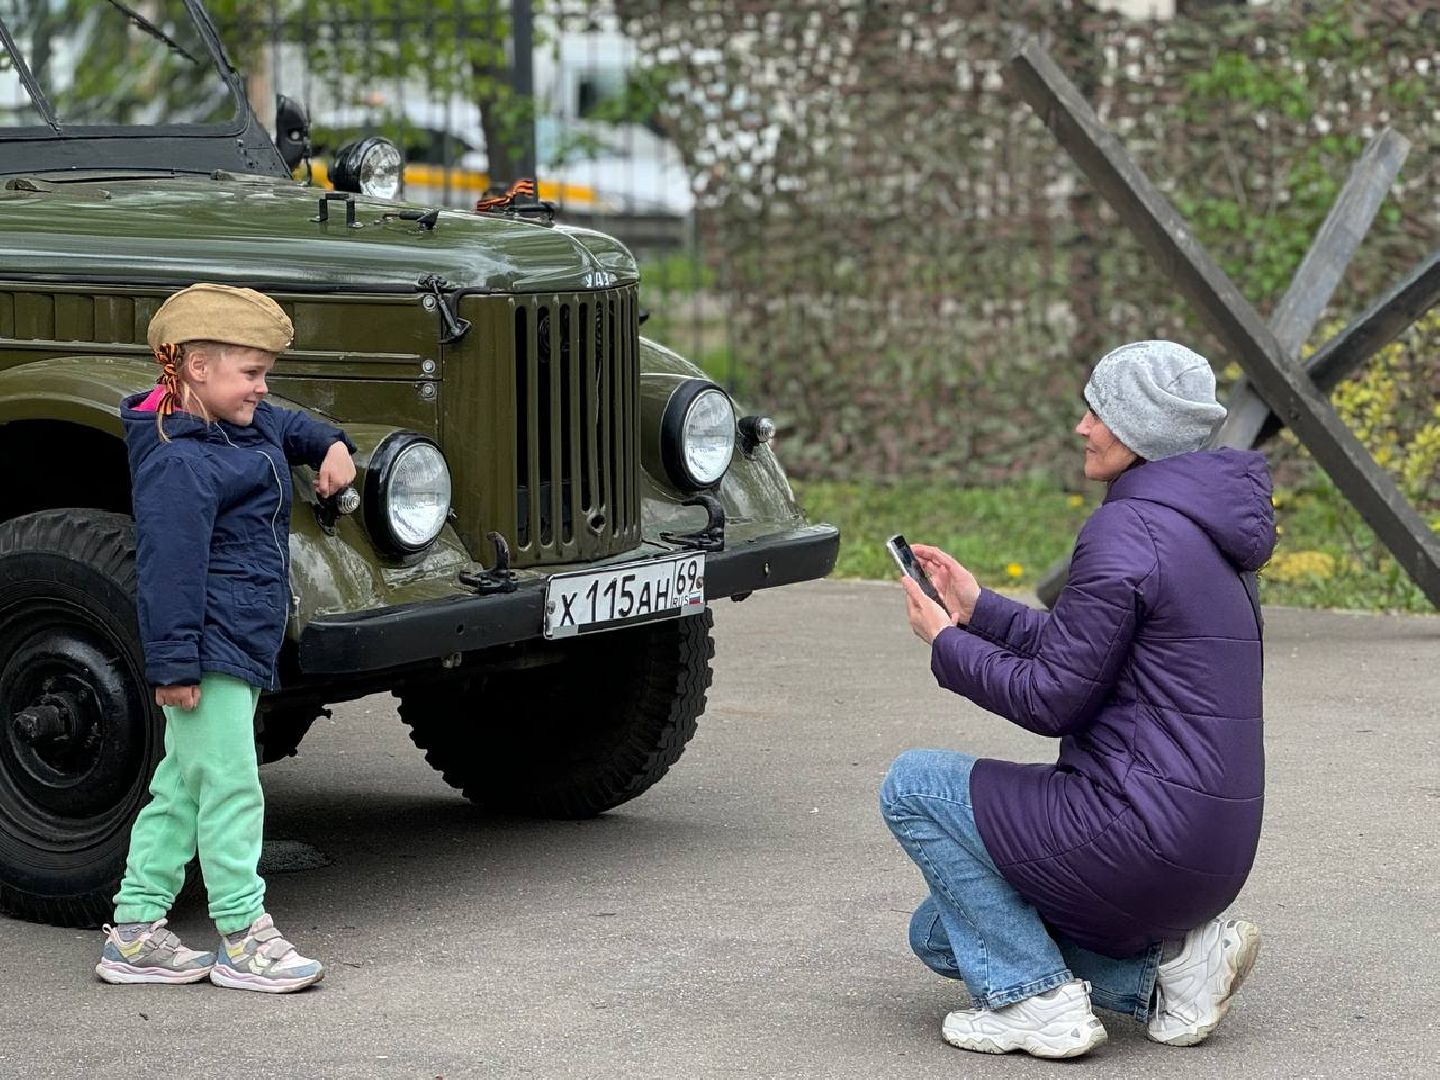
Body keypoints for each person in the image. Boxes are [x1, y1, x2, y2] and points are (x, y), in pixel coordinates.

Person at [880, 340, 1274, 1058]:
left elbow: (1053, 698)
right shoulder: (1204, 531)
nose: (1081, 427)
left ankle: (1036, 1001)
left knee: (912, 784)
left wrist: (944, 643)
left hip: (1138, 834)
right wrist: (978, 611)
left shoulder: (1127, 528)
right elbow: (1087, 649)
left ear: (1138, 430)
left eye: (1097, 411)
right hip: (1211, 849)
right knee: (938, 933)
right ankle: (1166, 976)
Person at [96, 283, 356, 993]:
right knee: (233, 787)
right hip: (208, 648)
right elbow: (168, 575)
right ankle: (243, 935)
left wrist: (332, 444)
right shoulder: (179, 461)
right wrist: (175, 665)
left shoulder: (245, 421)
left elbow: (289, 424)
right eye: (251, 373)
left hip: (238, 638)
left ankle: (135, 933)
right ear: (197, 368)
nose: (262, 389)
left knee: (182, 786)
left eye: (266, 372)